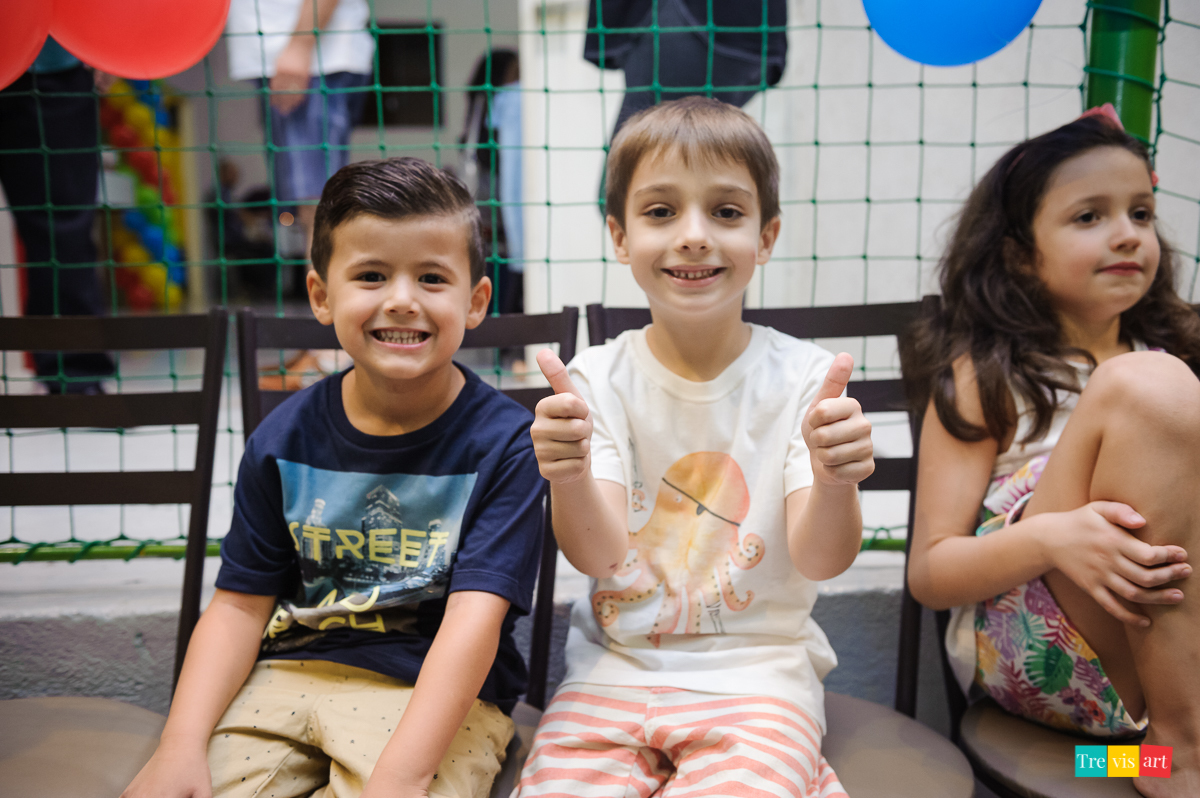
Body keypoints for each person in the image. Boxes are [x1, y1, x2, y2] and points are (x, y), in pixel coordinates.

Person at [122, 157, 546, 798]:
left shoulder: (508, 445)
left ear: (476, 300)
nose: (402, 299)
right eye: (372, 275)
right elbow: (239, 606)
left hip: (428, 696)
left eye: (432, 278)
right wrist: (178, 745)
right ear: (321, 296)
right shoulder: (282, 439)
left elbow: (473, 625)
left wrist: (401, 779)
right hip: (283, 676)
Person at [516, 97, 873, 798]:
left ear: (766, 237)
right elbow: (600, 555)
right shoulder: (597, 378)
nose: (694, 236)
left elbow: (821, 559)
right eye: (660, 212)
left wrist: (836, 480)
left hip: (759, 677)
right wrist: (569, 472)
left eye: (727, 213)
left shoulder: (803, 381)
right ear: (619, 236)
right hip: (611, 674)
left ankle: (1162, 761)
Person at [901, 105, 1200, 796]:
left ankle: (1165, 750)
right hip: (1050, 663)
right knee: (1141, 386)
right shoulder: (989, 377)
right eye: (1089, 217)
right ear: (1018, 253)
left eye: (1142, 213)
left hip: (1140, 722)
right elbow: (931, 572)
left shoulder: (1178, 361)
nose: (1127, 234)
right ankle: (1179, 758)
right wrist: (1054, 538)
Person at [0, 37, 115, 393]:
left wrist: (108, 43)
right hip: (46, 64)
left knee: (63, 226)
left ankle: (75, 378)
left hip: (51, 62)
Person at [225, 0, 375, 261]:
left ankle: (325, 301)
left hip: (314, 59)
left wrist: (300, 45)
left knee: (317, 206)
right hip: (295, 57)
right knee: (312, 205)